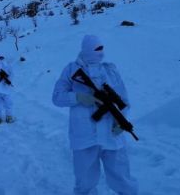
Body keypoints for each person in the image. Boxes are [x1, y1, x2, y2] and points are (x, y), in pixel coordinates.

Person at [52, 35, 138, 195]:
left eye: (102, 48)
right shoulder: (71, 70)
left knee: (123, 180)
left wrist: (121, 121)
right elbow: (57, 97)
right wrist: (77, 97)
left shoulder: (110, 70)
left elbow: (123, 100)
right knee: (85, 183)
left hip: (112, 136)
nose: (101, 52)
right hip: (84, 136)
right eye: (96, 48)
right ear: (86, 49)